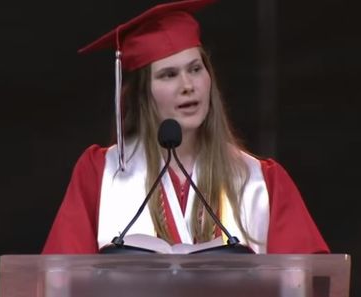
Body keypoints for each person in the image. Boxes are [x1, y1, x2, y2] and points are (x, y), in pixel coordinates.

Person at [42, 0, 329, 254]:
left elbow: (306, 283)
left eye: (195, 69)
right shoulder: (100, 175)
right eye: (169, 75)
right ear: (144, 95)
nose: (188, 86)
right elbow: (58, 281)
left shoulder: (260, 182)